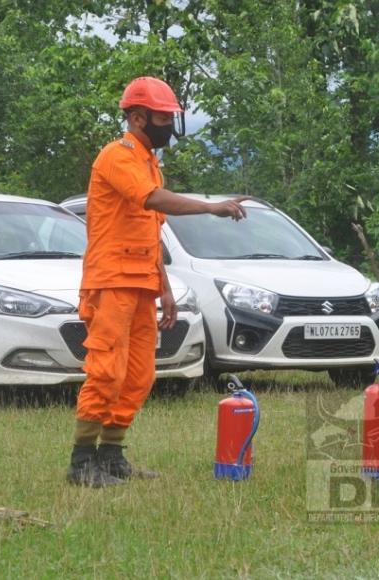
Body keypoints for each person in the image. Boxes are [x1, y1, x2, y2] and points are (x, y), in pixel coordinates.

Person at [67, 76, 250, 487]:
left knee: (138, 375)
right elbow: (151, 200)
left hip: (141, 284)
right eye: (164, 118)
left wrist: (164, 288)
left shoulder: (149, 162)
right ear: (137, 117)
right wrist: (211, 207)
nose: (169, 126)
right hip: (111, 282)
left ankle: (112, 456)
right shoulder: (117, 156)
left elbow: (149, 232)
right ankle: (81, 463)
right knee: (106, 371)